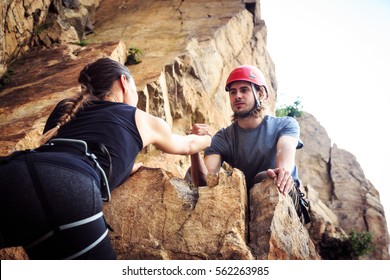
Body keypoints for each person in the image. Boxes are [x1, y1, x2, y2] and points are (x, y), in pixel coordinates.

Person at [0, 57, 211, 260]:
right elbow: (188, 145)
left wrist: (123, 168)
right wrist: (208, 139)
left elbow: (51, 160)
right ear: (123, 82)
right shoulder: (139, 118)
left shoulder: (65, 109)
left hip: (14, 170)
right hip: (70, 186)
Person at [189, 65, 310, 224]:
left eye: (244, 90)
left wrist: (283, 171)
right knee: (191, 172)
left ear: (260, 93)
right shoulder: (223, 137)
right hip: (249, 203)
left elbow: (284, 154)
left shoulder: (285, 124)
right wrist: (193, 149)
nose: (237, 96)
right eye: (233, 92)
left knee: (266, 177)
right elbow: (205, 182)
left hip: (286, 194)